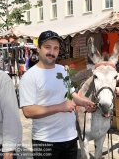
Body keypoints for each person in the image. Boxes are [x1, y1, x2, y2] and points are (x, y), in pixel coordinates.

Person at [19, 30, 95, 159]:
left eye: (56, 48)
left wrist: (83, 102)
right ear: (38, 48)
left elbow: (70, 94)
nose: (52, 52)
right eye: (47, 47)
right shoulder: (29, 76)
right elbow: (28, 111)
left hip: (70, 137)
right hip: (45, 140)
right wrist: (60, 107)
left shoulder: (62, 70)